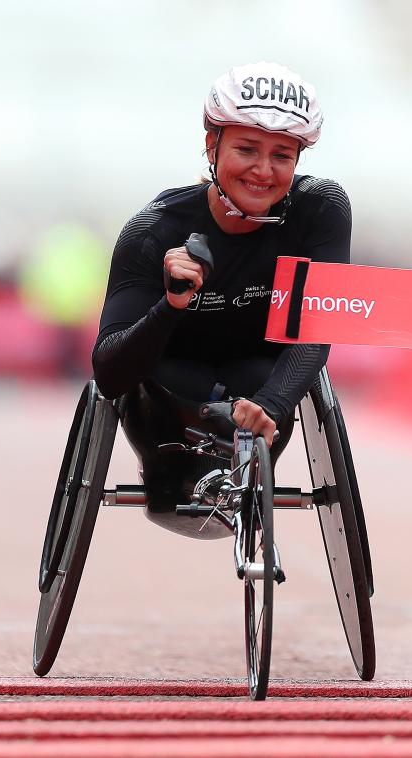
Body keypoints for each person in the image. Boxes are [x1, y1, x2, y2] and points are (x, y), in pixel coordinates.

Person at [92, 62, 351, 535]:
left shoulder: (321, 210)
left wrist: (272, 403)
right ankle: (178, 479)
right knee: (176, 378)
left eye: (282, 156)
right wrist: (170, 306)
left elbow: (319, 324)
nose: (263, 171)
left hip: (259, 389)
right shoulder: (154, 229)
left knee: (256, 375)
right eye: (247, 149)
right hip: (168, 391)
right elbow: (109, 375)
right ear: (212, 145)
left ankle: (240, 478)